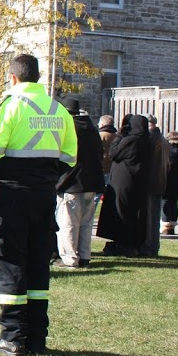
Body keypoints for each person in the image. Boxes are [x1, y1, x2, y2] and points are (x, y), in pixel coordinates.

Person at [0, 54, 77, 356]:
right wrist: (44, 179)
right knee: (37, 263)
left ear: (13, 78)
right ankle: (36, 336)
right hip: (43, 195)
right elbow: (69, 157)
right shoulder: (59, 110)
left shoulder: (7, 106)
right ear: (38, 77)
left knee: (8, 261)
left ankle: (12, 335)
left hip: (9, 196)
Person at [53, 101, 104, 268]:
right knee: (86, 223)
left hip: (71, 182)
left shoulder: (69, 129)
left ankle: (69, 258)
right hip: (91, 182)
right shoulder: (92, 130)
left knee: (68, 223)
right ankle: (84, 255)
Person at [97, 115, 151, 257]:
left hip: (124, 182)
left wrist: (120, 135)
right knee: (135, 213)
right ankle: (133, 243)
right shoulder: (147, 140)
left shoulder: (131, 140)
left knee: (121, 212)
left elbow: (114, 153)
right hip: (138, 182)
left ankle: (123, 243)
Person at [143, 115, 170, 256]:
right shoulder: (162, 139)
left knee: (150, 218)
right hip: (160, 181)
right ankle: (153, 246)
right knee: (154, 218)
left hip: (152, 182)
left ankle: (150, 247)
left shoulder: (153, 139)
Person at [161, 131, 178, 235]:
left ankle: (166, 224)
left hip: (166, 181)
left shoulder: (166, 152)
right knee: (173, 203)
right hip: (177, 182)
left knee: (165, 203)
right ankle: (172, 225)